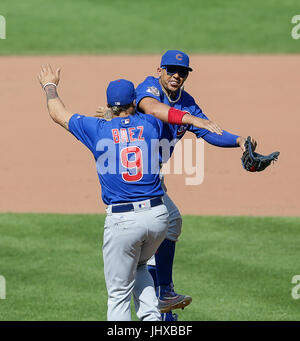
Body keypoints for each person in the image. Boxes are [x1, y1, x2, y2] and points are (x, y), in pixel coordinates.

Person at [38, 64, 172, 321]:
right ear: (134, 102)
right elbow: (144, 117)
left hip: (123, 221)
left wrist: (50, 86)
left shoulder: (97, 129)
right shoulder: (152, 124)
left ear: (109, 105)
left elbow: (58, 113)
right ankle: (153, 321)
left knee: (119, 293)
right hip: (157, 217)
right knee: (141, 266)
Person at [133, 50, 257, 320]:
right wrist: (190, 119)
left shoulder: (186, 102)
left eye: (182, 71)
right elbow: (154, 109)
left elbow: (208, 130)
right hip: (135, 175)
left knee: (161, 233)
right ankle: (162, 294)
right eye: (171, 70)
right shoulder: (150, 88)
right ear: (160, 70)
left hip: (153, 176)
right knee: (168, 223)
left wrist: (239, 141)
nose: (176, 75)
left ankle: (160, 302)